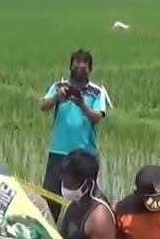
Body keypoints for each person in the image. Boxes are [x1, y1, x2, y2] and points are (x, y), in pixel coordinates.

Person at [38, 48, 109, 221]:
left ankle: (80, 236)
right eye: (77, 62)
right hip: (59, 151)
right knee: (50, 199)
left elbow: (97, 117)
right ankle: (50, 237)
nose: (80, 66)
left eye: (85, 63)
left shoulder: (96, 92)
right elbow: (43, 106)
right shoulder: (58, 87)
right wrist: (57, 98)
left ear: (90, 69)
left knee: (85, 202)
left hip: (85, 154)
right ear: (71, 66)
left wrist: (81, 104)